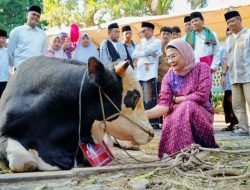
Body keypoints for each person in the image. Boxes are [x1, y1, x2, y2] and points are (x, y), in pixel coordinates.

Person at [146, 39, 219, 157]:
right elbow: (163, 106)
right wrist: (143, 114)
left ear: (184, 52)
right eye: (168, 57)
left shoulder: (202, 68)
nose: (171, 61)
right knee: (176, 111)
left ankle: (186, 151)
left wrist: (177, 100)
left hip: (201, 114)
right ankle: (173, 153)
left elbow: (202, 95)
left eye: (173, 56)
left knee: (187, 106)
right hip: (176, 116)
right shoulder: (168, 76)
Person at [221, 10, 250, 136]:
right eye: (228, 22)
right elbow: (226, 59)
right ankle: (244, 128)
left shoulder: (248, 34)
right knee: (237, 104)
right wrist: (223, 74)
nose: (230, 24)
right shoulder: (228, 40)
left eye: (232, 21)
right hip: (234, 76)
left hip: (248, 74)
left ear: (239, 20)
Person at [133, 22, 162, 128]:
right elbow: (134, 55)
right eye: (142, 31)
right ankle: (142, 121)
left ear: (151, 31)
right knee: (141, 98)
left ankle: (153, 122)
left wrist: (146, 50)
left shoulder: (157, 42)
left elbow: (146, 50)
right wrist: (146, 53)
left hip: (150, 74)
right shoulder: (140, 44)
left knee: (149, 98)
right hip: (140, 73)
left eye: (144, 30)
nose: (142, 33)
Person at [7, 5, 47, 69]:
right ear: (27, 15)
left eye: (38, 16)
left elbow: (43, 54)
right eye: (33, 14)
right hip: (20, 70)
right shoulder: (16, 31)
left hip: (36, 71)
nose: (36, 17)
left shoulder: (43, 34)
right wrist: (16, 66)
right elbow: (10, 53)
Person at [220, 28, 238, 131]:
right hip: (227, 81)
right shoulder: (223, 50)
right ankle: (231, 124)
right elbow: (218, 63)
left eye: (231, 33)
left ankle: (238, 123)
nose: (229, 35)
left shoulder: (239, 47)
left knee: (237, 103)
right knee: (227, 103)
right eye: (227, 34)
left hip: (238, 79)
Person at [158, 27, 172, 91]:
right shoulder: (156, 47)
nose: (165, 36)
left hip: (171, 78)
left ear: (171, 36)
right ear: (160, 35)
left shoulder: (173, 48)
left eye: (168, 34)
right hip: (159, 79)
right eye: (164, 34)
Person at [0, 29, 10, 98]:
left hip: (5, 79)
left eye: (3, 38)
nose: (1, 40)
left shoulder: (7, 51)